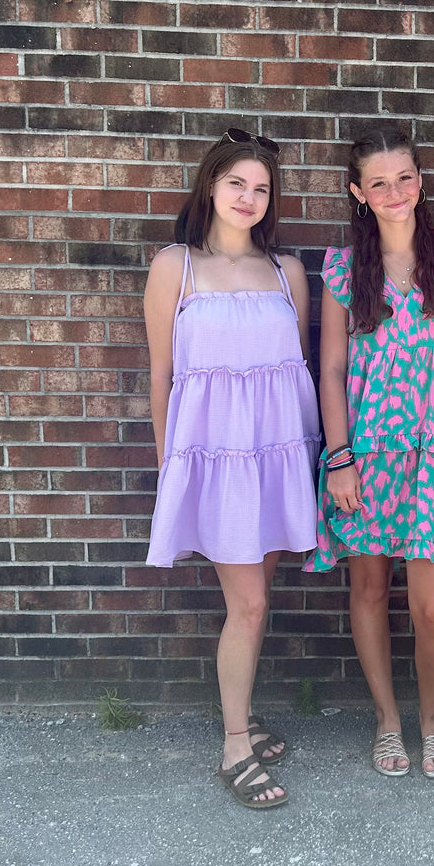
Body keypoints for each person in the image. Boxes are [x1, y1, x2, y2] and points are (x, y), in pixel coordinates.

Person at [304, 126, 434, 780]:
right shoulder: (341, 271)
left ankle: (431, 719)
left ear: (421, 182)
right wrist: (339, 458)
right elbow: (330, 370)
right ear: (358, 193)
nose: (394, 192)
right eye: (378, 183)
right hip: (366, 457)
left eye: (404, 178)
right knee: (369, 587)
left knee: (431, 607)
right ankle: (387, 719)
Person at [143, 128, 320, 809]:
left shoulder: (287, 272)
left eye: (261, 188)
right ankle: (235, 746)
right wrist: (170, 468)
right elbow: (162, 375)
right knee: (247, 604)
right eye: (236, 183)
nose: (248, 197)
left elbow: (291, 374)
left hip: (276, 457)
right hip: (216, 464)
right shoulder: (176, 267)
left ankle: (242, 713)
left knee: (256, 599)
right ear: (211, 186)